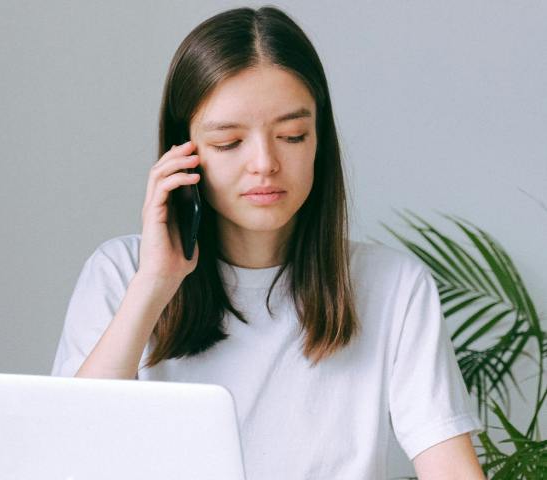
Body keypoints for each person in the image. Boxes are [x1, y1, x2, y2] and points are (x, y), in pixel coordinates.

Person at [52, 6, 485, 479]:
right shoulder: (120, 274)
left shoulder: (394, 286)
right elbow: (68, 456)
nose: (264, 163)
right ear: (183, 153)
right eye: (228, 143)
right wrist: (155, 283)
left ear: (320, 139)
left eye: (291, 135)